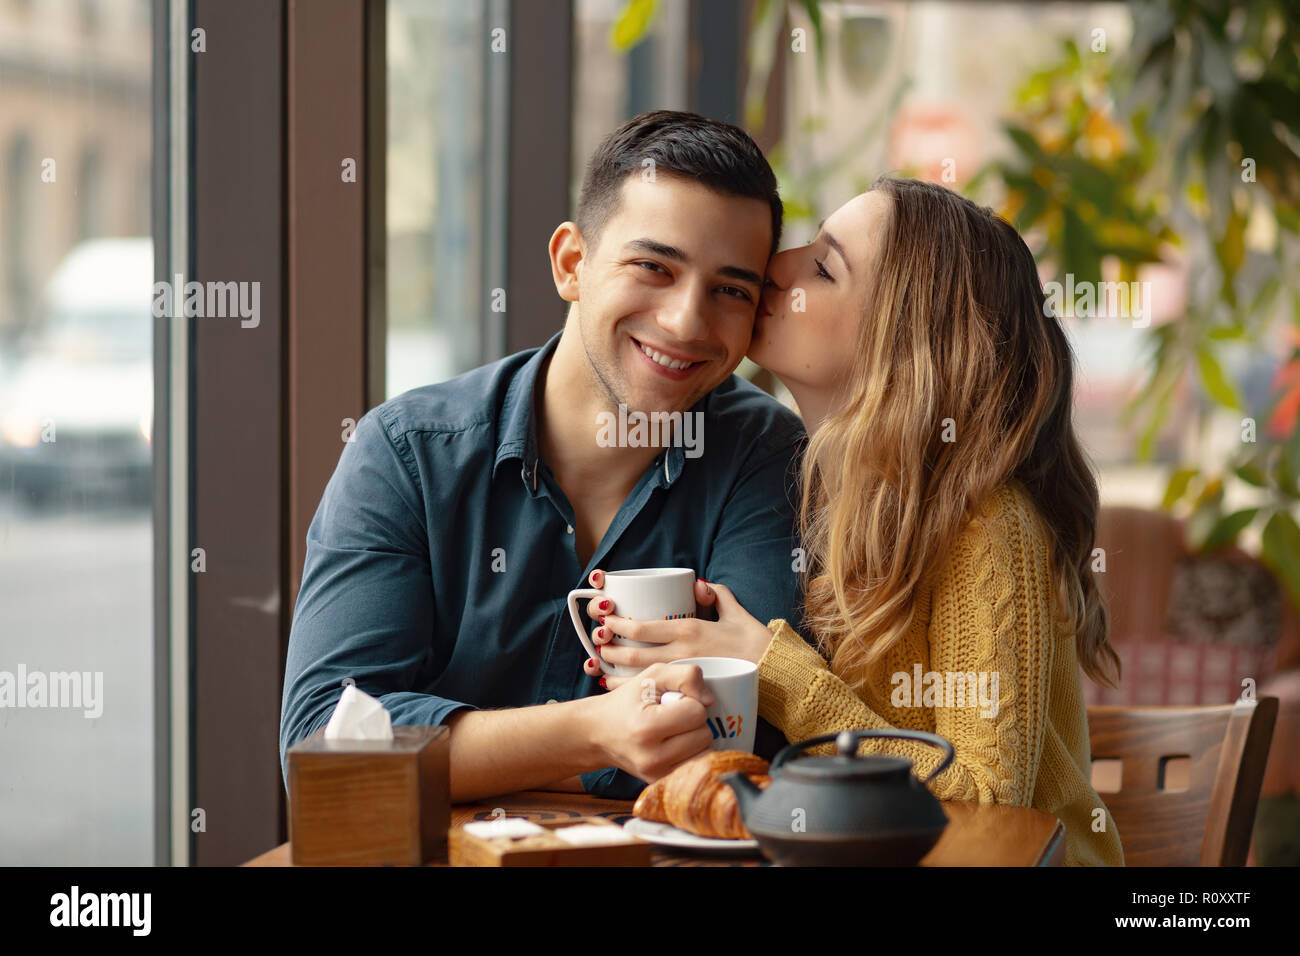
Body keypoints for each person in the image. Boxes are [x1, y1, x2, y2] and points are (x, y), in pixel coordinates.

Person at [581, 176, 1127, 865]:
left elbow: (989, 805)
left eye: (823, 267)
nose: (777, 268)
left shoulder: (984, 524)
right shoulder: (822, 502)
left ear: (903, 343)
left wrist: (773, 669)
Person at [279, 109, 806, 802]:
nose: (686, 321)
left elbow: (750, 736)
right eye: (653, 267)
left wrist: (451, 758)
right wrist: (600, 731)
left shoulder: (765, 456)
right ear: (571, 264)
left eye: (730, 290)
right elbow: (326, 749)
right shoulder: (407, 456)